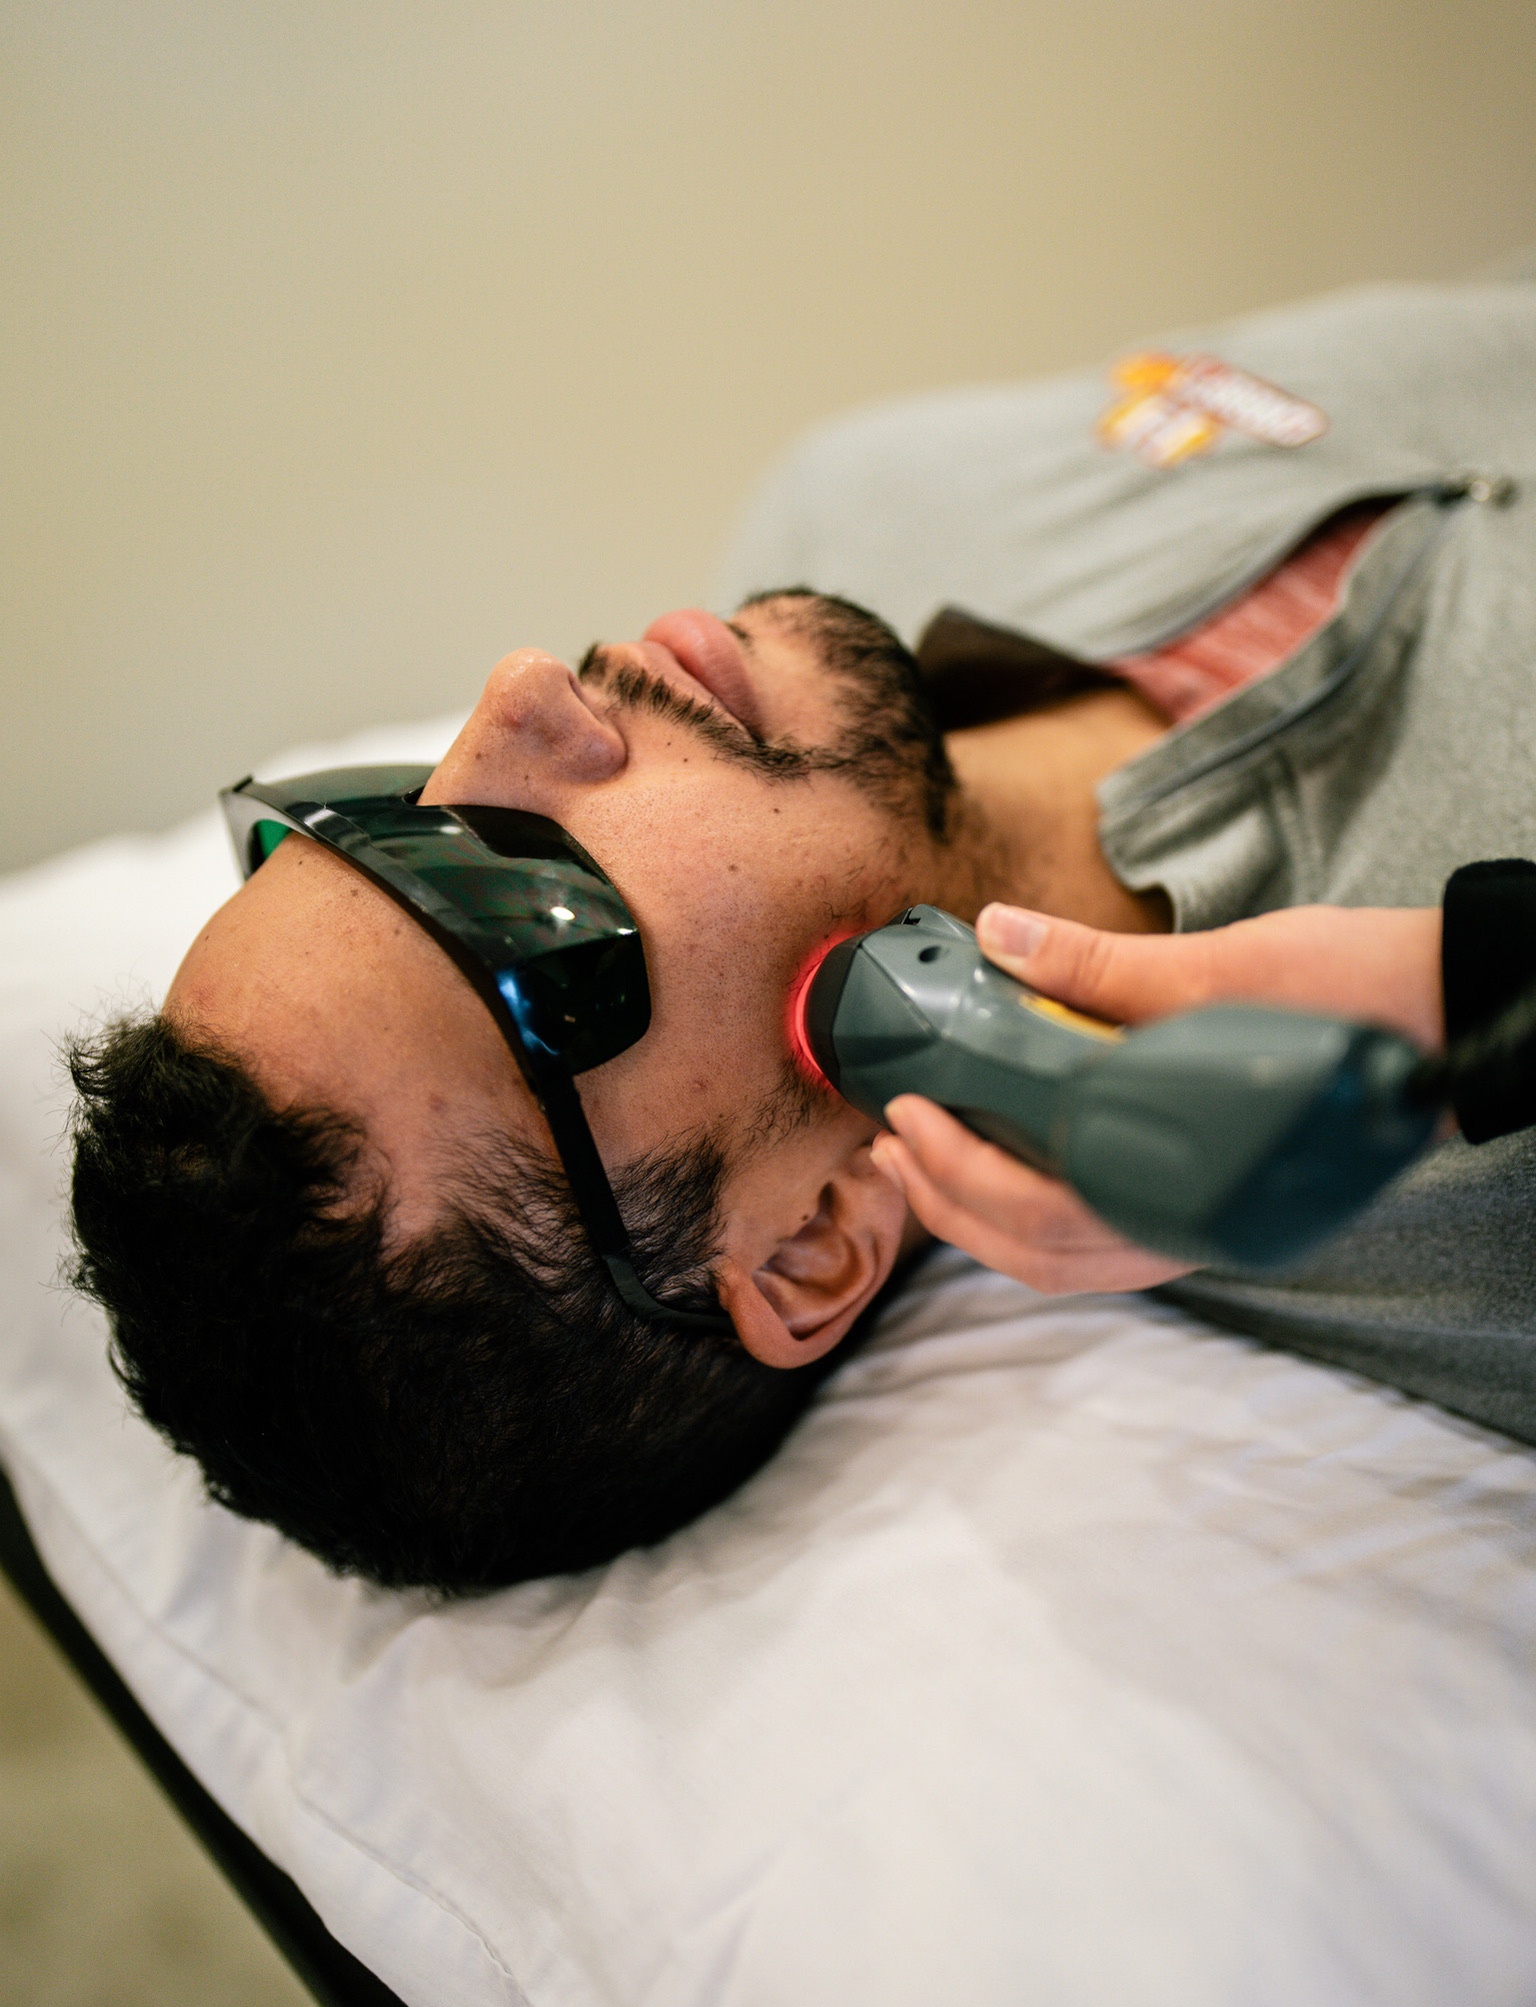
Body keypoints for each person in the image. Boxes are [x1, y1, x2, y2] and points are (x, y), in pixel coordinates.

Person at [68, 274, 1536, 1592]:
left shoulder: (859, 514)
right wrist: (1488, 977)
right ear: (810, 1242)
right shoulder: (1484, 1182)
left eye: (378, 807)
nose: (519, 695)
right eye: (515, 900)